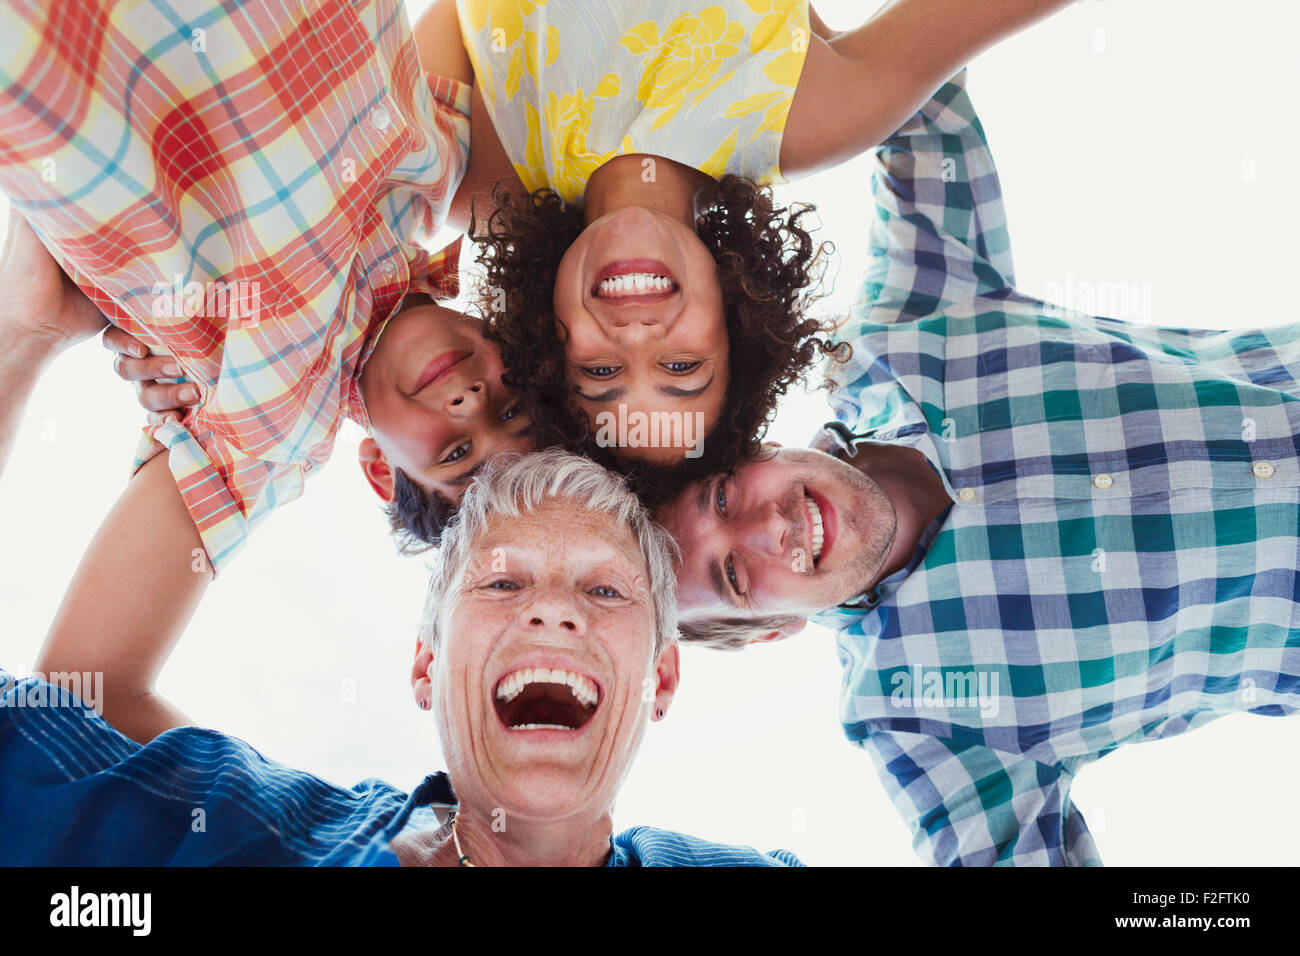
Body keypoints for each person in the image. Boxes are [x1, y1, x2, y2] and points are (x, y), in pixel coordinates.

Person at [653, 70, 1300, 864]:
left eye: (723, 496)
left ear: (748, 444)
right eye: (736, 578)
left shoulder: (899, 334)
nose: (766, 527)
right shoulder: (916, 717)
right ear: (776, 630)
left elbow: (910, 92)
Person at [0, 0, 541, 742]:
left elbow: (82, 696)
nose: (473, 400)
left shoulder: (269, 435)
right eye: (512, 409)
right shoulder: (442, 174)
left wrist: (21, 331)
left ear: (382, 472)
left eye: (454, 454)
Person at [0, 445, 802, 867]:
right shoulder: (237, 826)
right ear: (425, 667)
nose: (552, 608)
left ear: (660, 676)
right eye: (501, 582)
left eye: (603, 593)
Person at [443, 0, 1074, 484]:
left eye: (600, 371)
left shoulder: (471, 178)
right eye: (682, 367)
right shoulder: (822, 114)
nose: (635, 335)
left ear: (548, 345)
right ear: (737, 325)